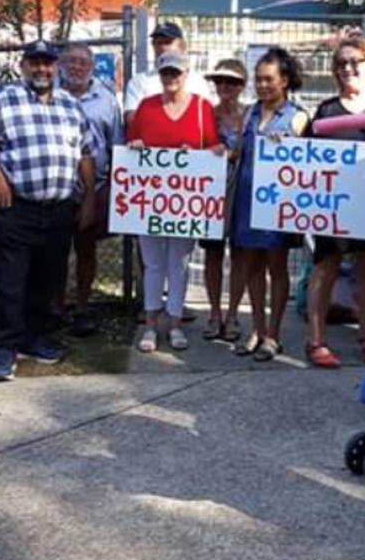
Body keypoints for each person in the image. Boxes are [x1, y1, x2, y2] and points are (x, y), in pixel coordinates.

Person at [0, 39, 96, 382]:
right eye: (35, 63)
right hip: (16, 209)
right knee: (11, 282)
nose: (42, 69)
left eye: (47, 63)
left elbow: (86, 154)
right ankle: (4, 348)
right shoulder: (4, 100)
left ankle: (35, 338)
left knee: (47, 279)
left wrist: (87, 199)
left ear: (55, 67)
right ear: (25, 65)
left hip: (58, 209)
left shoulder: (72, 106)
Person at [305, 37, 365, 368]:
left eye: (355, 62)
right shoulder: (327, 109)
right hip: (333, 202)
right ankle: (316, 340)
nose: (347, 68)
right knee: (325, 265)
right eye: (341, 63)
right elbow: (307, 155)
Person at [127, 50, 223, 353]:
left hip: (185, 202)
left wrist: (216, 151)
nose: (171, 78)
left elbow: (212, 145)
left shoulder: (201, 108)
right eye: (166, 72)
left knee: (179, 264)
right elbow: (131, 143)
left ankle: (176, 322)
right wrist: (135, 145)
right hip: (152, 200)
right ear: (159, 74)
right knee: (154, 264)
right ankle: (152, 325)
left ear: (186, 74)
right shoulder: (146, 106)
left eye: (176, 72)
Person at [229, 47, 308, 361]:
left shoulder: (298, 116)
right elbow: (238, 152)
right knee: (251, 266)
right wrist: (219, 154)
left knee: (276, 267)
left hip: (277, 204)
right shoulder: (249, 111)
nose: (262, 86)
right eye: (258, 80)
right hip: (247, 200)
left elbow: (305, 163)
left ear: (285, 80)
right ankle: (257, 329)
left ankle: (273, 335)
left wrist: (288, 145)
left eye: (269, 79)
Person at [57, 43, 123, 336]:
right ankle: (55, 307)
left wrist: (110, 186)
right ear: (61, 64)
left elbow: (116, 144)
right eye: (71, 61)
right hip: (56, 187)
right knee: (54, 253)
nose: (76, 67)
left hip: (93, 188)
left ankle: (82, 307)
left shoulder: (107, 100)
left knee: (86, 250)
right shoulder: (49, 95)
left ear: (92, 66)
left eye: (83, 63)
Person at [201, 59, 248, 342]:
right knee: (213, 253)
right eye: (219, 81)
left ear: (241, 86)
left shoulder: (252, 114)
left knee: (240, 254)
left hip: (242, 189)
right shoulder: (207, 113)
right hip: (212, 191)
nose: (224, 87)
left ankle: (233, 314)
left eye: (230, 82)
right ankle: (215, 313)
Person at [123, 20, 209, 128]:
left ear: (182, 46)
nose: (163, 47)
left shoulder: (198, 82)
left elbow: (206, 118)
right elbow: (132, 120)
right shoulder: (139, 82)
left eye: (168, 42)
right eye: (158, 43)